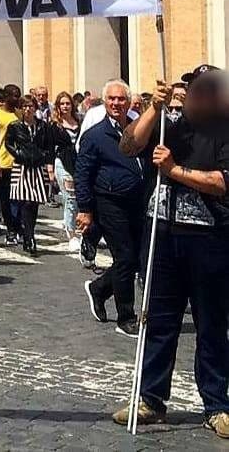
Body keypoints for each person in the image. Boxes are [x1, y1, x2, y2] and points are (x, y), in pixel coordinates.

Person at [110, 66, 229, 435]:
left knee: (211, 323)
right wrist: (152, 108)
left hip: (209, 236)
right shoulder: (169, 122)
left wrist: (175, 170)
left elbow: (222, 183)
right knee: (158, 320)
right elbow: (128, 145)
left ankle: (217, 404)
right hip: (161, 231)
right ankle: (150, 399)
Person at [75, 79, 144, 337]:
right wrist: (85, 209)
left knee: (137, 257)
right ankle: (126, 316)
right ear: (105, 102)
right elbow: (83, 173)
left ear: (128, 102)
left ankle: (100, 288)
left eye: (121, 99)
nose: (116, 103)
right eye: (112, 99)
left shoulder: (139, 129)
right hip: (109, 203)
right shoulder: (95, 136)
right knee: (125, 257)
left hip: (137, 202)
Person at [4, 95, 56, 256]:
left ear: (35, 108)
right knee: (24, 201)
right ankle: (28, 235)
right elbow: (9, 143)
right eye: (24, 106)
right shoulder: (15, 126)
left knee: (33, 202)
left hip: (38, 166)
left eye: (30, 106)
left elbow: (49, 145)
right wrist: (18, 154)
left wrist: (45, 159)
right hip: (22, 166)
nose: (28, 109)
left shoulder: (43, 126)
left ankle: (29, 233)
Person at [0, 85, 22, 244]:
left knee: (20, 198)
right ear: (6, 97)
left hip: (20, 161)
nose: (17, 99)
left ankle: (19, 226)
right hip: (4, 161)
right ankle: (11, 228)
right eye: (14, 96)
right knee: (6, 199)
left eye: (18, 95)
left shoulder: (19, 115)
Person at [49, 91, 82, 250]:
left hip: (79, 162)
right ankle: (71, 234)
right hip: (62, 162)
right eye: (62, 104)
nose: (65, 106)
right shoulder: (55, 124)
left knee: (81, 198)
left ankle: (79, 228)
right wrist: (49, 169)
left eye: (67, 103)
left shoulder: (79, 121)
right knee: (70, 198)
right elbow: (49, 147)